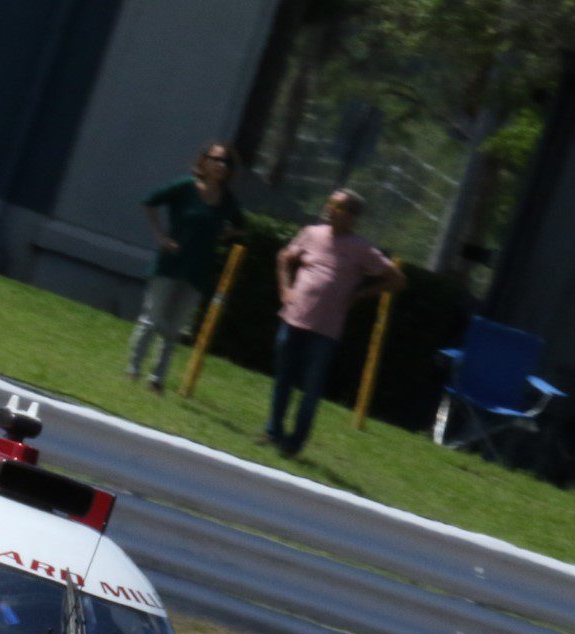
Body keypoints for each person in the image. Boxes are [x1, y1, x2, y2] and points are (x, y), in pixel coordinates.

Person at [266, 189, 405, 455]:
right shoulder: (312, 233)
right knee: (283, 378)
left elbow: (397, 279)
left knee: (311, 389)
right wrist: (285, 290)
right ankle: (273, 432)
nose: (330, 209)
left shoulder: (361, 249)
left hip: (326, 331)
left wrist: (362, 294)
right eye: (330, 204)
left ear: (352, 216)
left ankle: (294, 443)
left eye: (338, 207)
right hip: (293, 319)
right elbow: (284, 258)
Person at [126, 143, 245, 393]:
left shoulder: (227, 201)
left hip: (197, 270)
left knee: (175, 326)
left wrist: (226, 233)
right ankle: (133, 369)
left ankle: (156, 378)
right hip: (170, 263)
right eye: (217, 160)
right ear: (204, 161)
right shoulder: (184, 187)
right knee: (153, 319)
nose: (221, 166)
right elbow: (149, 202)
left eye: (227, 163)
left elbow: (240, 227)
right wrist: (160, 236)